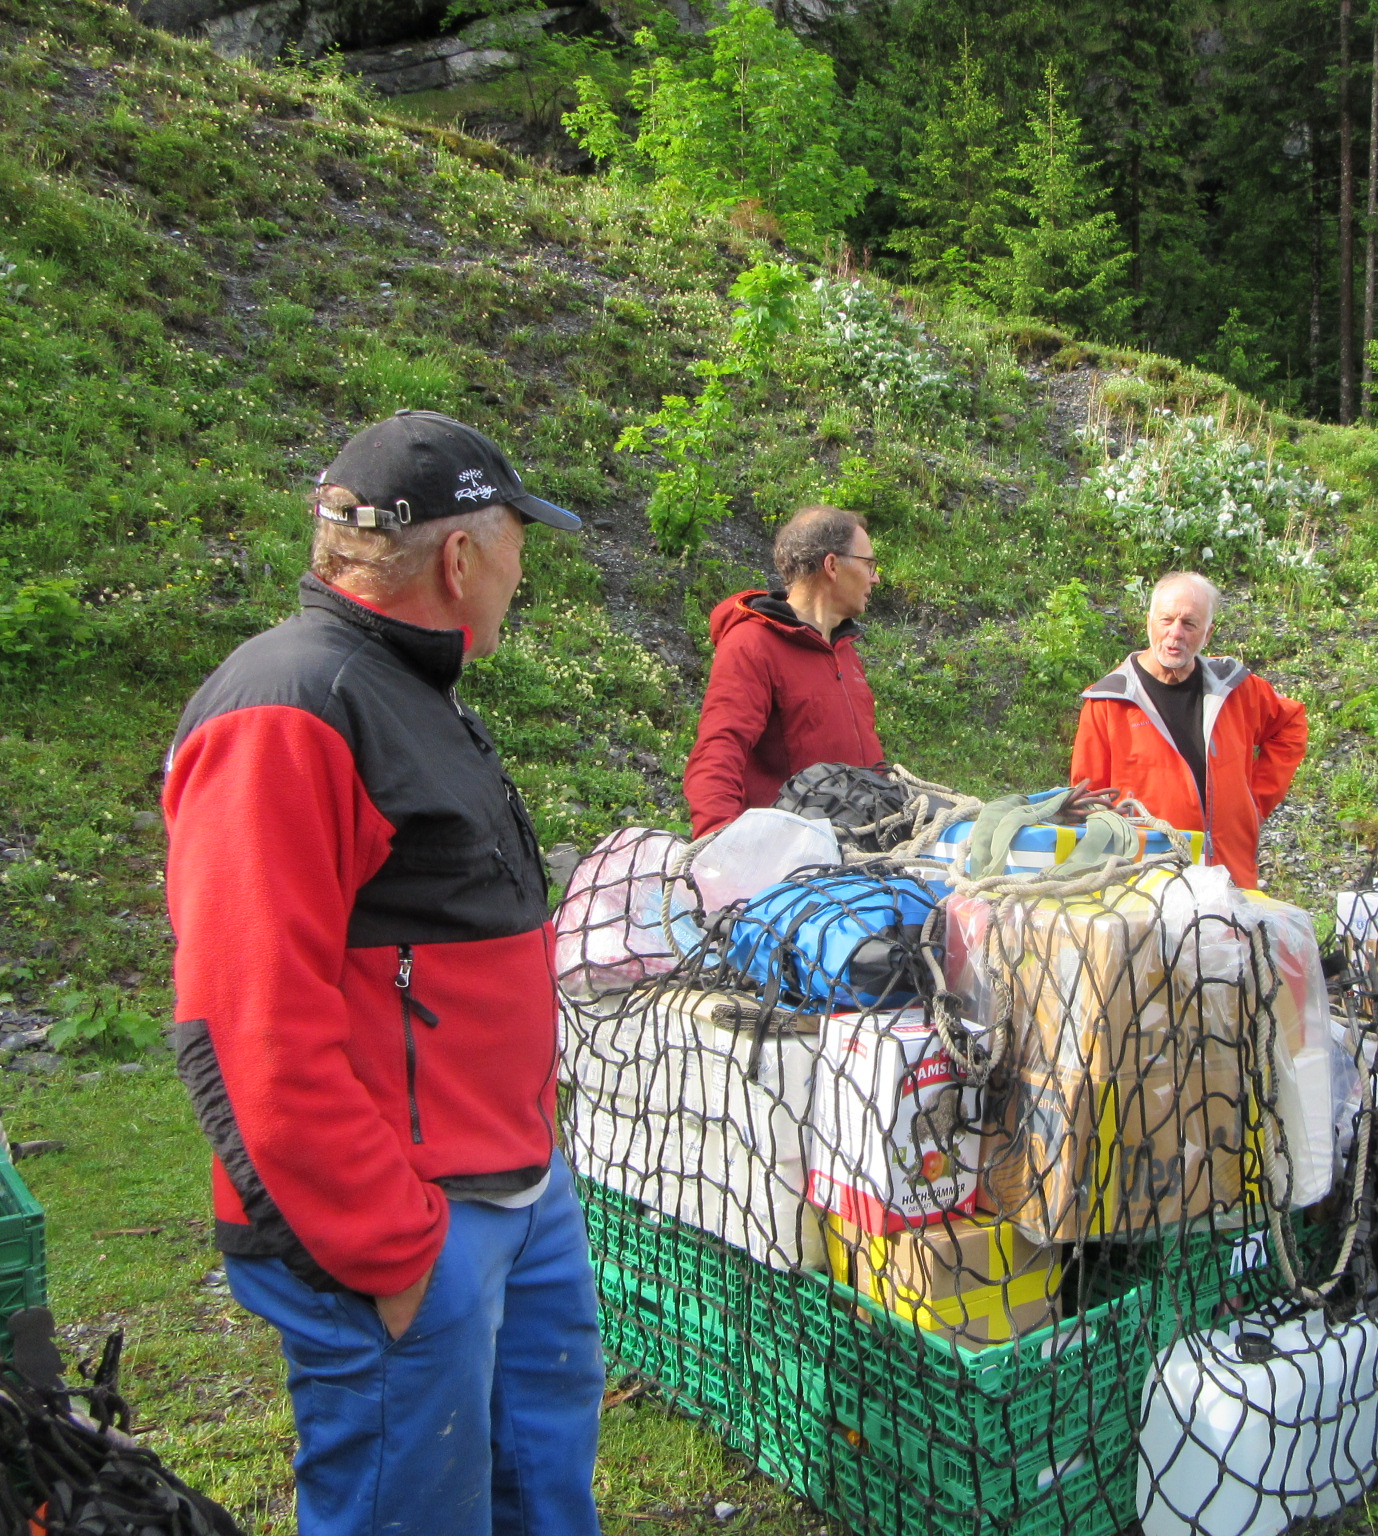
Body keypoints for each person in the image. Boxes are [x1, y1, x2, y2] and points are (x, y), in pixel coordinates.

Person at [161, 411, 604, 1536]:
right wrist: (388, 1247)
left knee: (539, 1487)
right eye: (517, 546)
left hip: (508, 1182)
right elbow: (245, 1027)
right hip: (410, 1223)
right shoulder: (290, 708)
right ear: (459, 558)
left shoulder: (404, 683)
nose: (521, 576)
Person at [1070, 571, 1308, 888]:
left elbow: (1290, 723)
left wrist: (1255, 801)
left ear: (1208, 633)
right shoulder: (1109, 701)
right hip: (1147, 885)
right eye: (1166, 620)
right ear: (1148, 622)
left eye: (1189, 624)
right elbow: (1089, 804)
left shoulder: (1235, 688)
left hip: (1230, 876)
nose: (1175, 633)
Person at [684, 504, 884, 836]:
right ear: (832, 565)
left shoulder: (844, 648)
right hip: (791, 852)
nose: (875, 577)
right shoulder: (751, 643)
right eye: (869, 564)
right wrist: (717, 840)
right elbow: (718, 750)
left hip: (859, 845)